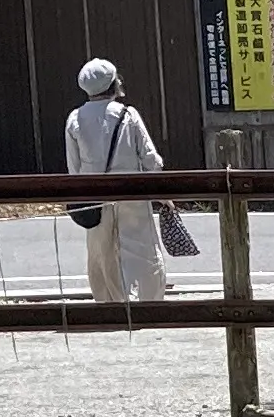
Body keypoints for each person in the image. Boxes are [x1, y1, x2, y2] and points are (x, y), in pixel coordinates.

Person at [65, 58, 194, 300]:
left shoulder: (75, 119)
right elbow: (150, 159)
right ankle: (147, 301)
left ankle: (109, 302)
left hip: (94, 197)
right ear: (112, 85)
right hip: (132, 192)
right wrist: (161, 191)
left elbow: (74, 167)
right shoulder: (127, 114)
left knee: (102, 251)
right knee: (142, 249)